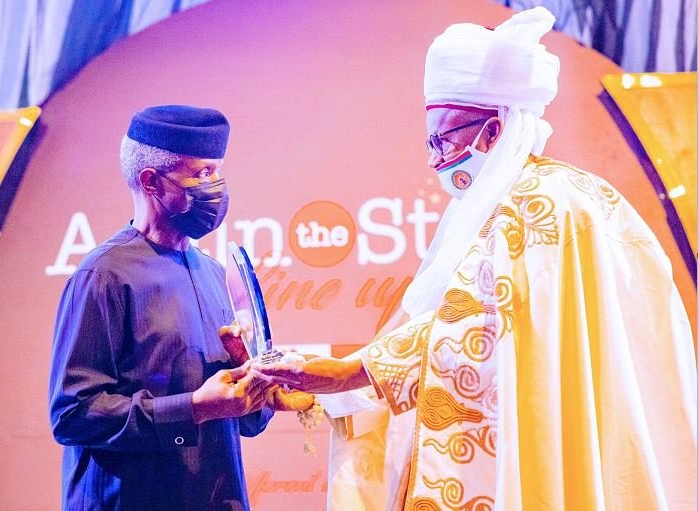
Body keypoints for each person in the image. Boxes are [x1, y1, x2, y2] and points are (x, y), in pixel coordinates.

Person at [254, 7, 697, 510]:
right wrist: (338, 386)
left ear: (494, 129)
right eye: (429, 142)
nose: (435, 158)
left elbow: (478, 329)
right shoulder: (513, 204)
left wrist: (353, 372)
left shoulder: (541, 202)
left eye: (444, 138)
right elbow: (454, 337)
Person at [48, 105, 310, 511]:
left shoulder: (213, 274)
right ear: (151, 181)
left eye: (218, 172)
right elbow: (74, 413)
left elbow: (238, 418)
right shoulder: (104, 276)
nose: (215, 186)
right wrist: (192, 408)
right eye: (202, 174)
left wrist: (259, 392)